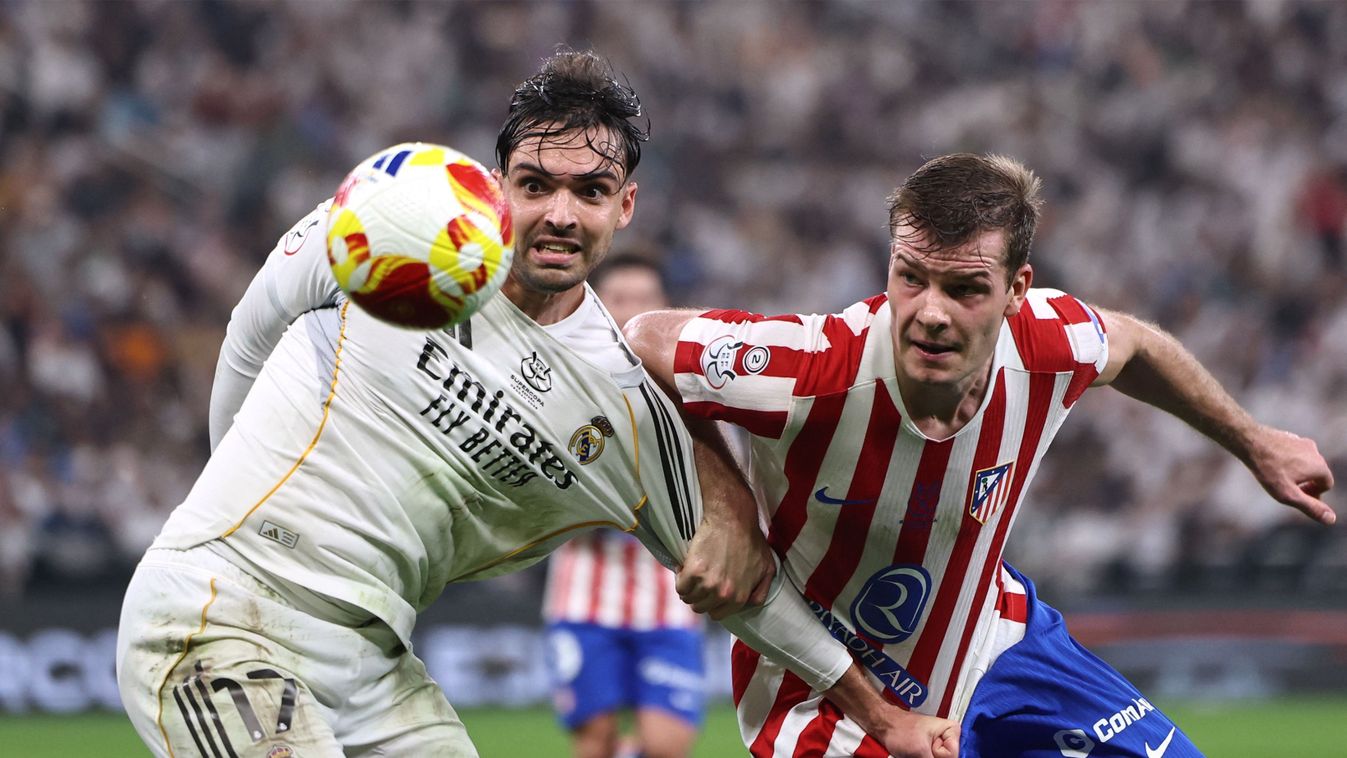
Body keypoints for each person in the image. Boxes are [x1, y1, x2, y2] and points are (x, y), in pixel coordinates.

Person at [116, 52, 958, 758]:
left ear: (624, 206)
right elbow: (254, 323)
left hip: (373, 662)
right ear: (496, 185)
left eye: (590, 191)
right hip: (219, 612)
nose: (559, 214)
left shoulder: (619, 402)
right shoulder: (400, 216)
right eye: (535, 184)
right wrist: (215, 516)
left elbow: (747, 590)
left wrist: (879, 713)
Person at [625, 152, 1337, 757]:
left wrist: (1253, 441)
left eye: (964, 288)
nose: (930, 312)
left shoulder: (1047, 344)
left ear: (1015, 291)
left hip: (999, 647)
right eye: (911, 278)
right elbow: (645, 339)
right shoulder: (812, 367)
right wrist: (726, 510)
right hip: (822, 701)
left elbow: (1135, 344)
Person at [543, 255, 707, 758]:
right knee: (594, 742)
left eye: (644, 300)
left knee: (666, 745)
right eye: (620, 299)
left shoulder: (693, 396)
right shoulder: (557, 386)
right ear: (597, 305)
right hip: (585, 597)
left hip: (668, 599)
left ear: (664, 309)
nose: (632, 311)